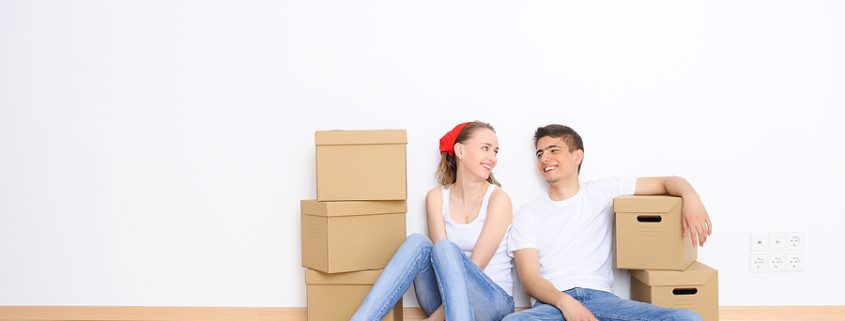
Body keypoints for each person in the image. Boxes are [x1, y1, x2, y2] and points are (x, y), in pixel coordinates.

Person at [503, 124, 713, 321]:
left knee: (686, 318)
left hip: (603, 301)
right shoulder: (527, 214)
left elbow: (668, 181)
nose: (544, 158)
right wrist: (564, 302)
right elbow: (530, 280)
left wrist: (692, 198)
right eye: (540, 154)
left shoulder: (602, 191)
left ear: (577, 156)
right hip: (552, 305)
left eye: (553, 150)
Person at [351, 121, 515, 321]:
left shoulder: (498, 199)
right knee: (418, 243)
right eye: (485, 148)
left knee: (445, 247)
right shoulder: (436, 197)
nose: (493, 158)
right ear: (460, 151)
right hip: (448, 303)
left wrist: (434, 319)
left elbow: (475, 266)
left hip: (493, 302)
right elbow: (441, 265)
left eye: (496, 151)